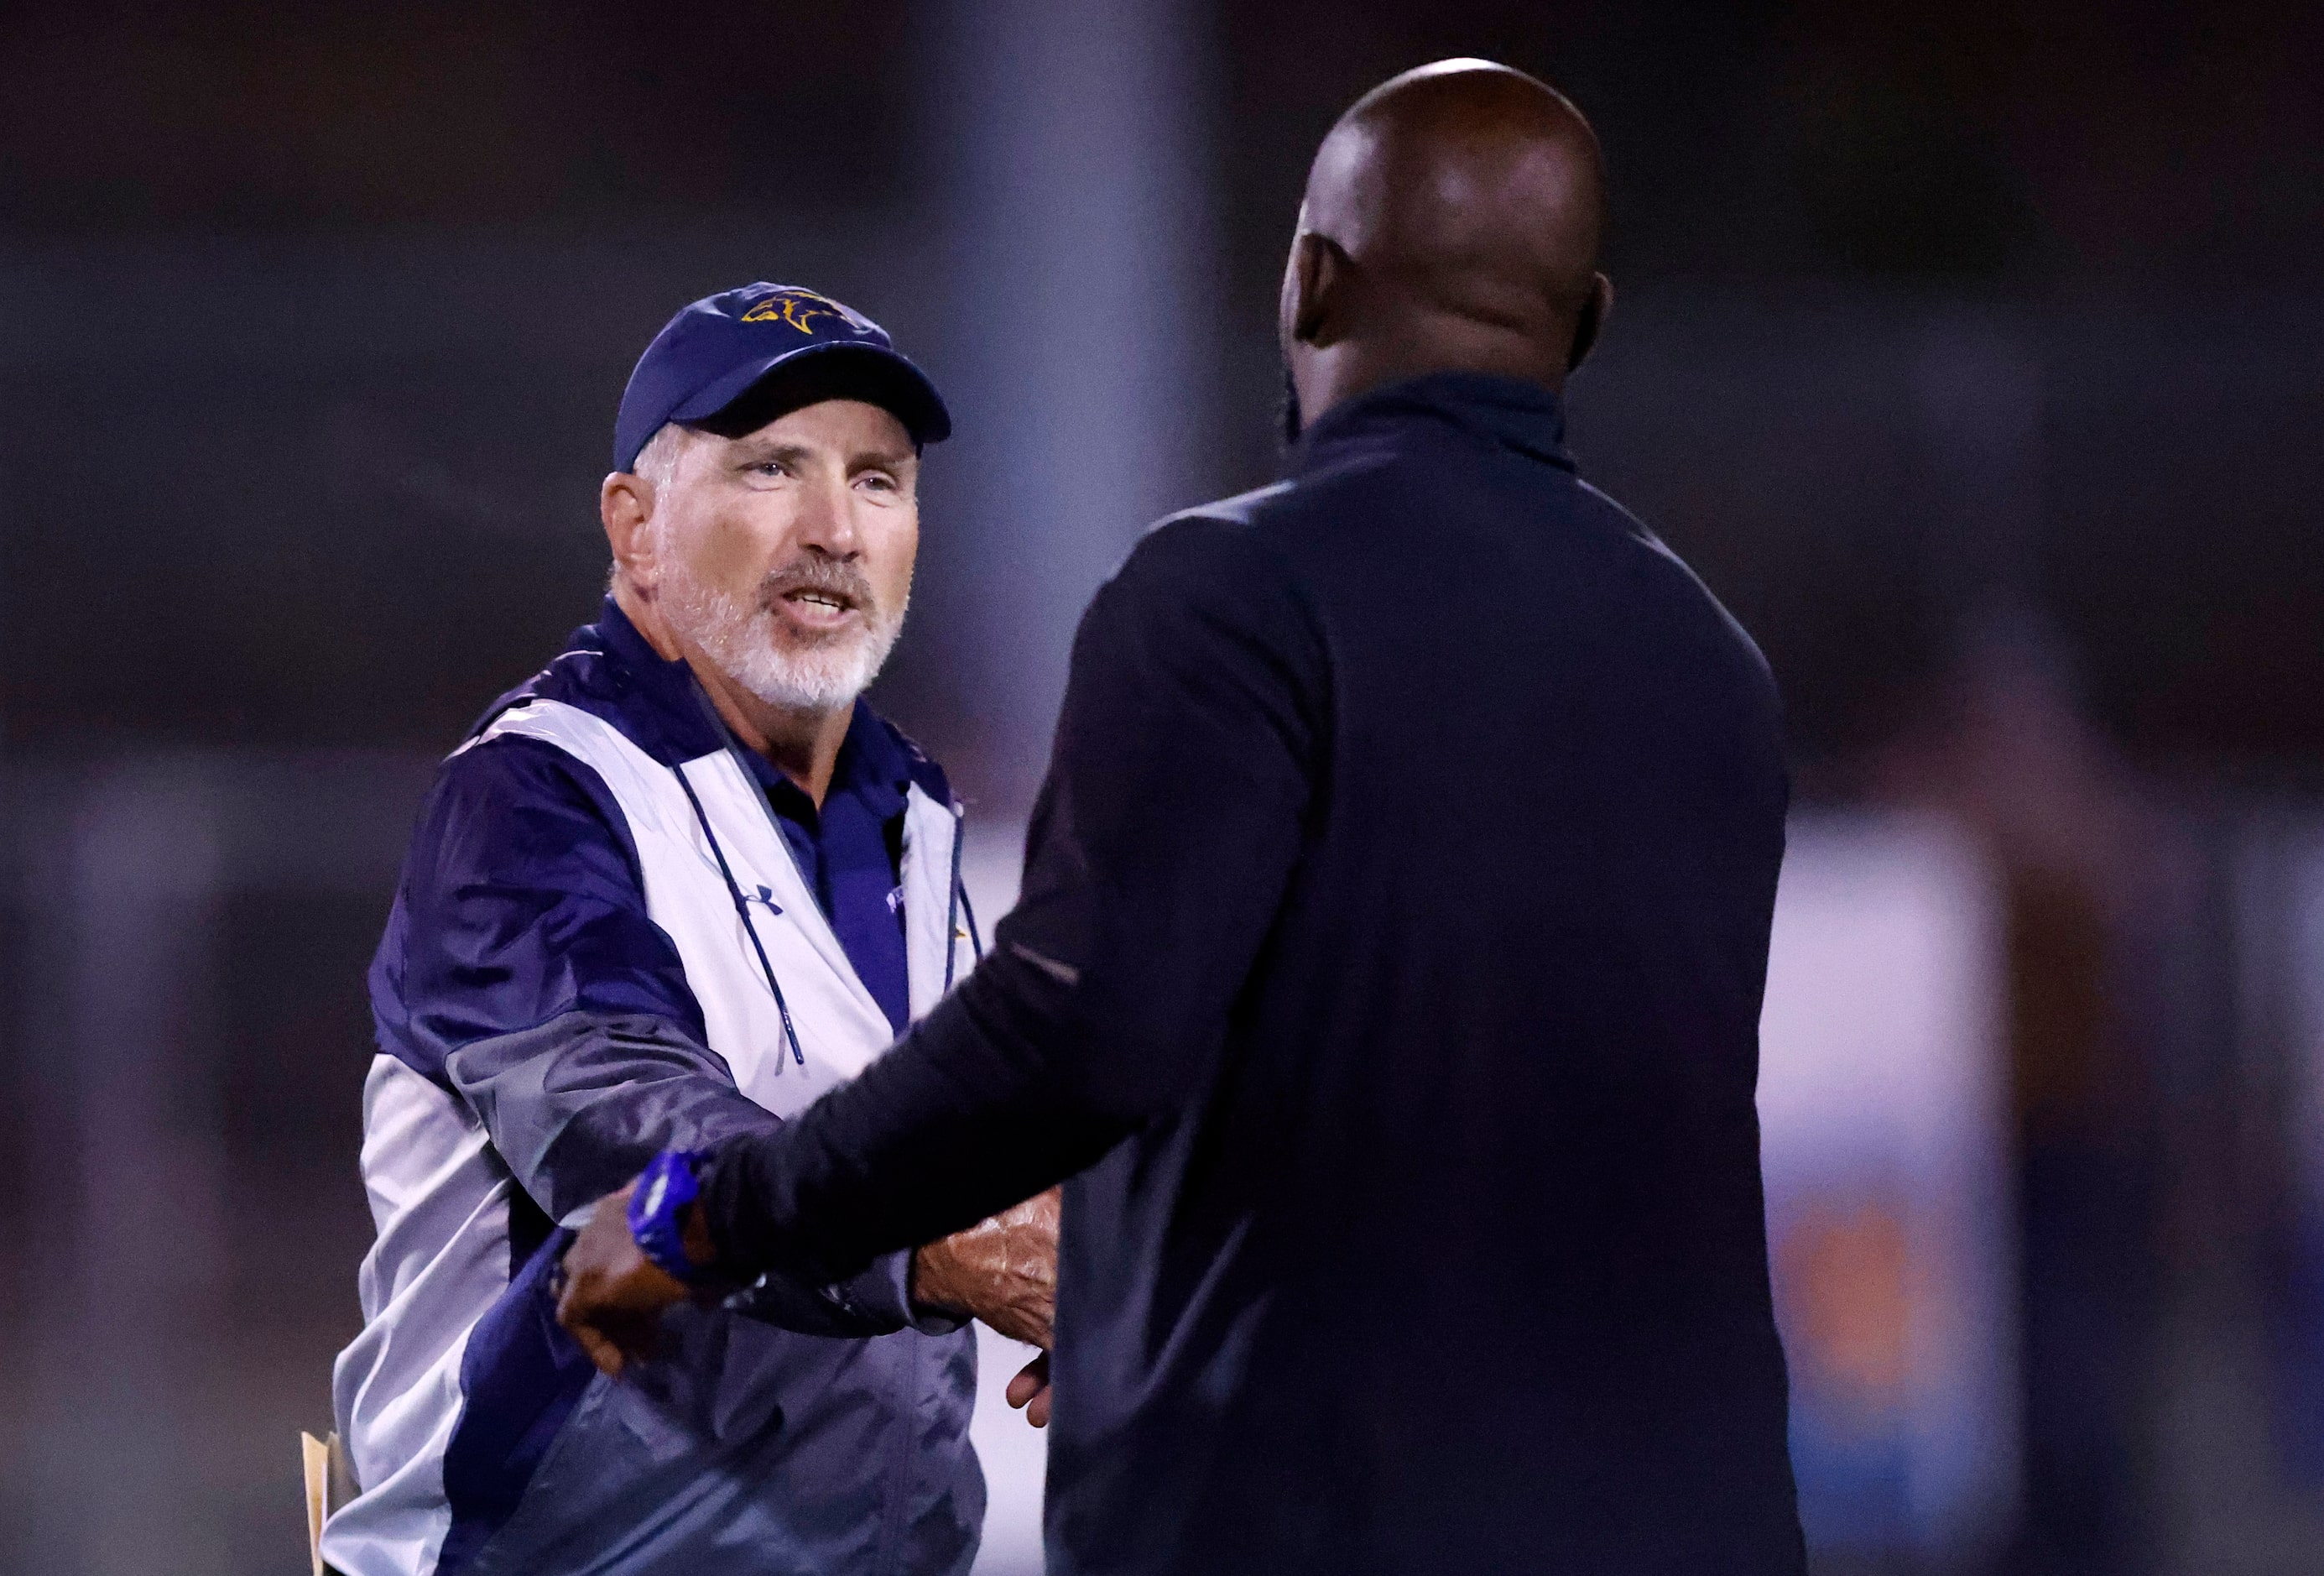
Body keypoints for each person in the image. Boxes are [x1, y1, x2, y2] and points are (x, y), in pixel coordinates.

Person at [562, 61, 1807, 1576]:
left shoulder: (1233, 602)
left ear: (1312, 278)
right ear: (1587, 324)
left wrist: (711, 1212)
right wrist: (1137, 1286)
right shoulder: (1714, 668)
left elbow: (1070, 1039)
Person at [321, 282, 1058, 1576]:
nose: (834, 527)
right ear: (637, 528)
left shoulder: (913, 812)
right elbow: (634, 1141)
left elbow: (978, 1147)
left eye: (878, 481)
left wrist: (1093, 1261)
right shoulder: (535, 797)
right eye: (772, 467)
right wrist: (952, 1250)